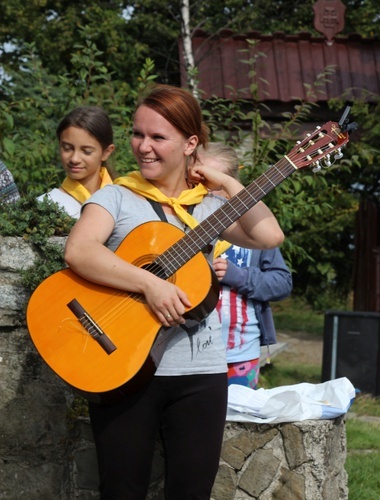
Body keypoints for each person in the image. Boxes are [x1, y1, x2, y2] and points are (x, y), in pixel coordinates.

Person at [63, 84, 284, 499]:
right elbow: (79, 251)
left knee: (192, 493)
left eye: (157, 137)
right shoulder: (116, 196)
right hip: (122, 367)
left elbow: (270, 235)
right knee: (121, 490)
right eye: (137, 134)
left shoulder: (211, 207)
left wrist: (222, 180)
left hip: (201, 375)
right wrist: (149, 283)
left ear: (190, 144)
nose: (143, 147)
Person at [197, 142, 293, 389]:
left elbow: (282, 283)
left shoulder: (252, 234)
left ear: (230, 189)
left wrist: (236, 275)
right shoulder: (184, 223)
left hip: (240, 353)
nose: (203, 192)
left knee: (237, 423)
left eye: (211, 184)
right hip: (191, 353)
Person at [38, 106, 116, 218]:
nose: (75, 159)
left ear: (106, 152)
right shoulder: (43, 206)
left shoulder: (125, 202)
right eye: (67, 148)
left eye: (86, 151)